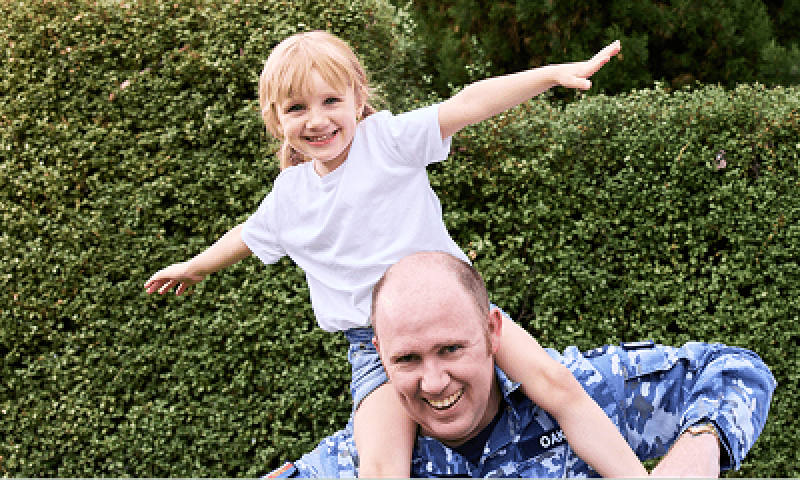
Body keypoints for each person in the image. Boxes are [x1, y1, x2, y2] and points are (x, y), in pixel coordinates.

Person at [144, 31, 648, 477]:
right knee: (383, 465)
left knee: (556, 384)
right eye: (297, 108)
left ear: (358, 99)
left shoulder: (386, 141)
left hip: (455, 318)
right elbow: (246, 236)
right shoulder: (288, 197)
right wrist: (195, 266)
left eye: (330, 101)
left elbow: (468, 103)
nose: (317, 120)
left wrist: (552, 75)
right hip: (375, 347)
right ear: (276, 120)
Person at [264, 252, 776, 478]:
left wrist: (700, 448)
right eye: (407, 359)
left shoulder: (580, 396)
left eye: (451, 349)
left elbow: (734, 369)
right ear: (378, 353)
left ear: (492, 333)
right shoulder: (360, 462)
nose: (435, 381)